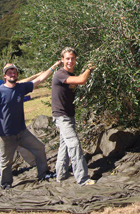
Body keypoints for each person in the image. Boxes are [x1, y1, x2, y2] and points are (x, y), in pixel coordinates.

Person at [0, 61, 61, 189]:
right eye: (9, 72)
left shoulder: (21, 88)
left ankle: (43, 173)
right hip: (5, 135)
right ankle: (6, 184)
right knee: (6, 162)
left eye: (14, 72)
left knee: (39, 148)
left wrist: (53, 66)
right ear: (5, 76)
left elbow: (39, 79)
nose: (12, 74)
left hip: (22, 132)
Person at [0, 65, 44, 178]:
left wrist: (39, 74)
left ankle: (35, 165)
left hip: (14, 127)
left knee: (23, 147)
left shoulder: (0, 84)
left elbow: (21, 82)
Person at [52, 47, 95, 186]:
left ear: (75, 60)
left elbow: (75, 91)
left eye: (73, 58)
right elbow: (82, 80)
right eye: (67, 58)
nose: (70, 61)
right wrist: (89, 68)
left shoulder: (70, 75)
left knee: (64, 146)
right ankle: (83, 179)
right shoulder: (60, 74)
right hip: (61, 117)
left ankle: (61, 175)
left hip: (69, 115)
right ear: (62, 60)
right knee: (74, 144)